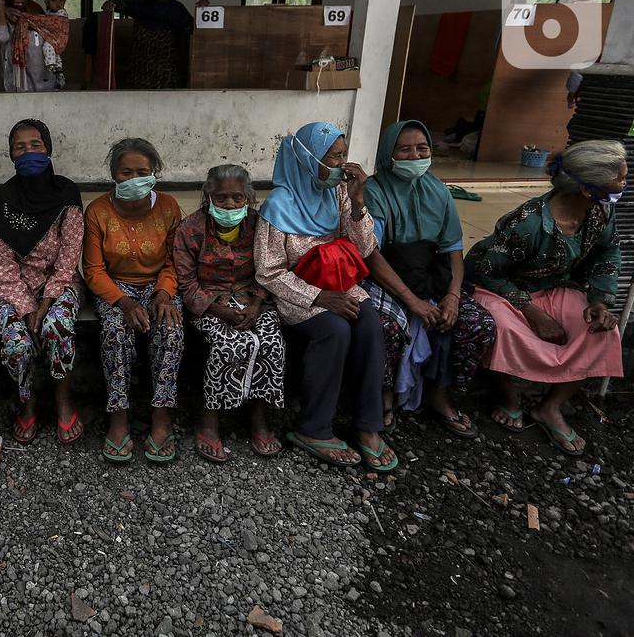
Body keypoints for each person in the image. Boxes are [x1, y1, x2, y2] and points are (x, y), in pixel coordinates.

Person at [254, 122, 398, 473]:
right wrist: (320, 297)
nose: (342, 165)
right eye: (334, 157)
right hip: (296, 291)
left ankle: (367, 424)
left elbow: (364, 249)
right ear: (308, 159)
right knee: (335, 330)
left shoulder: (338, 195)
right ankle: (313, 428)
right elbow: (268, 272)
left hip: (338, 284)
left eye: (343, 156)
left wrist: (359, 203)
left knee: (369, 324)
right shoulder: (278, 205)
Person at [467, 140, 625, 456]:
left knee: (603, 332)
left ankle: (550, 407)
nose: (623, 184)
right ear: (585, 189)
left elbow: (608, 252)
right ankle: (510, 396)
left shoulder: (601, 213)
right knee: (501, 328)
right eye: (619, 178)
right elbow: (483, 268)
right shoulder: (528, 223)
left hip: (556, 289)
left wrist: (599, 301)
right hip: (507, 292)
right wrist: (530, 311)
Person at [361, 121, 495, 436]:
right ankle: (385, 395)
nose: (415, 155)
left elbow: (453, 249)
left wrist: (452, 296)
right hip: (388, 277)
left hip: (432, 278)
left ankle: (439, 394)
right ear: (389, 154)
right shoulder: (375, 191)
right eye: (404, 149)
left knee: (477, 324)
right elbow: (371, 254)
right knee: (387, 327)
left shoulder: (438, 190)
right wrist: (412, 301)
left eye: (422, 148)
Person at [173, 165, 284, 462]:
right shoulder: (191, 228)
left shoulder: (258, 224)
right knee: (229, 344)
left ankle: (258, 417)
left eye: (237, 197)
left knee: (271, 341)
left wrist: (257, 304)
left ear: (248, 197)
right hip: (210, 303)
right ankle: (209, 420)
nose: (231, 204)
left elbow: (268, 271)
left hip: (252, 300)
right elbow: (187, 283)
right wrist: (220, 311)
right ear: (209, 195)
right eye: (222, 198)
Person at [83, 138, 184, 463]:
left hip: (159, 287)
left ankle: (161, 414)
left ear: (154, 173)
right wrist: (124, 302)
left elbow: (174, 261)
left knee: (171, 330)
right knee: (115, 332)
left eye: (143, 171)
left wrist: (164, 293)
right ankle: (119, 415)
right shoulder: (98, 211)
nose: (135, 178)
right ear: (114, 173)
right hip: (115, 288)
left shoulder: (169, 207)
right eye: (127, 172)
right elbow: (93, 270)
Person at [0, 118, 85, 445]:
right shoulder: (2, 199)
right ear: (11, 155)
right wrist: (27, 308)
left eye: (36, 145)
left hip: (61, 284)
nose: (28, 152)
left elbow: (70, 255)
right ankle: (27, 401)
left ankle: (63, 398)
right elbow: (1, 266)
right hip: (17, 291)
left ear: (49, 150)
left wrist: (46, 303)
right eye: (20, 147)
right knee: (17, 341)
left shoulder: (67, 193)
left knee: (56, 327)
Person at [103, 0, 197, 89]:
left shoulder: (177, 9)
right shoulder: (141, 4)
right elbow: (121, 5)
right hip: (140, 70)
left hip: (165, 73)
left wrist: (202, 10)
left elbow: (193, 28)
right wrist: (111, 4)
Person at [0, 0, 69, 93]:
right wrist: (1, 7)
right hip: (19, 88)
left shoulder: (37, 11)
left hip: (46, 87)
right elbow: (0, 37)